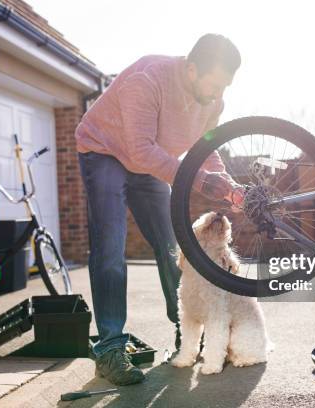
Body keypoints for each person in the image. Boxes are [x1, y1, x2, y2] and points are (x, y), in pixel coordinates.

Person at [76, 34, 243, 385]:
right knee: (110, 246)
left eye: (224, 86)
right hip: (105, 149)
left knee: (174, 248)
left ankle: (186, 336)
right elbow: (140, 151)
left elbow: (205, 149)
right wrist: (200, 181)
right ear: (192, 69)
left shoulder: (214, 100)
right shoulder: (147, 81)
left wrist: (225, 182)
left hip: (146, 160)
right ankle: (109, 349)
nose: (217, 94)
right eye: (213, 85)